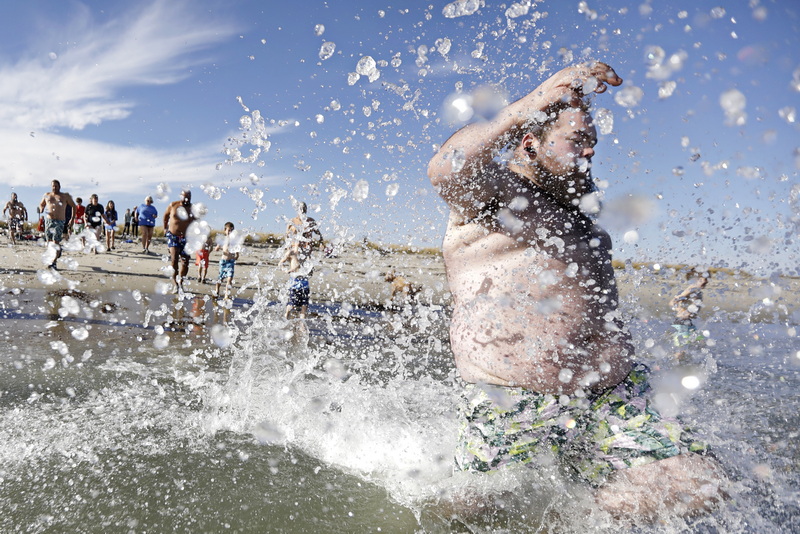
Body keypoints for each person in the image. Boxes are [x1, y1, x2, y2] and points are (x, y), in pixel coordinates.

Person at [427, 62, 725, 521]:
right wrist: (534, 100)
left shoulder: (578, 214)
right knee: (472, 514)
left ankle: (574, 522)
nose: (588, 153)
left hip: (615, 395)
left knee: (704, 485)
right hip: (517, 400)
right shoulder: (499, 196)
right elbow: (446, 169)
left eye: (592, 144)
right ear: (531, 142)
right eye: (577, 141)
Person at [38, 180, 77, 269]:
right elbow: (41, 204)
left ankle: (54, 263)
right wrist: (41, 208)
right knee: (49, 243)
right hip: (48, 221)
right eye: (53, 186)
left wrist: (72, 219)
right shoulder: (47, 195)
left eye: (56, 186)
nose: (54, 187)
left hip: (59, 221)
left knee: (55, 242)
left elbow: (74, 206)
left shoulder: (65, 196)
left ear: (59, 186)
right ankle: (58, 251)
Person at [163, 190, 196, 293]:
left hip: (186, 237)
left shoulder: (192, 209)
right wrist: (165, 228)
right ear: (181, 196)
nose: (187, 200)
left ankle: (181, 282)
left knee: (185, 261)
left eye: (188, 198)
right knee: (174, 259)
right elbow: (165, 216)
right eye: (185, 197)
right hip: (173, 235)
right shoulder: (173, 205)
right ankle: (175, 284)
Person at [669, 271, 709, 349]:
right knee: (681, 349)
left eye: (706, 279)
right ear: (695, 280)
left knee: (701, 343)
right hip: (682, 323)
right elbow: (672, 302)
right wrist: (681, 310)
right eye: (702, 280)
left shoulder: (697, 292)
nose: (706, 281)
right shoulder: (690, 290)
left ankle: (689, 360)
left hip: (688, 323)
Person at [279, 201, 323, 266]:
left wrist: (321, 243)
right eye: (301, 208)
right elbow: (287, 236)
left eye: (304, 208)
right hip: (295, 248)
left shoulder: (311, 221)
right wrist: (288, 248)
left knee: (307, 271)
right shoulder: (292, 221)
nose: (303, 210)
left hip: (307, 249)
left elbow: (318, 234)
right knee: (295, 269)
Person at [213, 222, 239, 299]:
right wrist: (218, 248)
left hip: (231, 262)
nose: (230, 232)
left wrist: (236, 256)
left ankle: (226, 295)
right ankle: (217, 291)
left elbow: (237, 250)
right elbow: (216, 248)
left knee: (230, 278)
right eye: (229, 230)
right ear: (225, 230)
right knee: (220, 278)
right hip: (223, 261)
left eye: (232, 230)